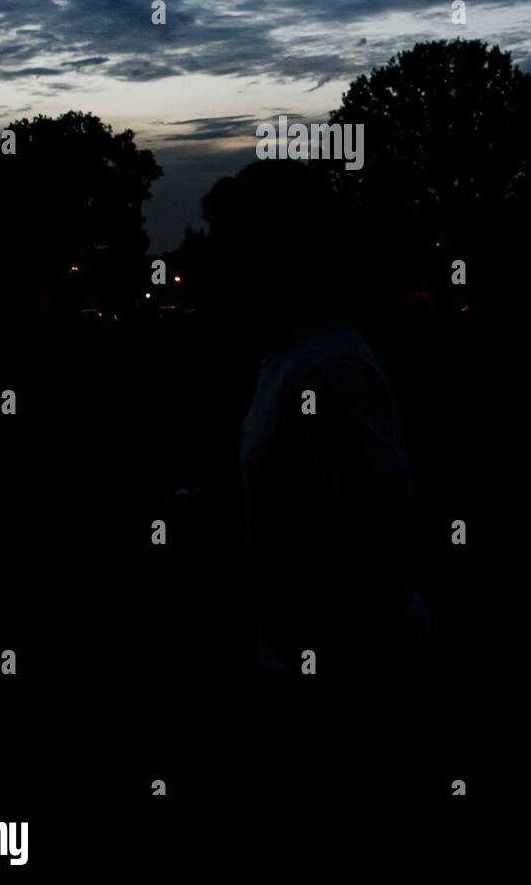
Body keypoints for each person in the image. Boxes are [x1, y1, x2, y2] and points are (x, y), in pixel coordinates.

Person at [202, 158, 431, 680]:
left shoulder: (324, 370)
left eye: (232, 246)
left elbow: (378, 542)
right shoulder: (290, 357)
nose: (217, 265)